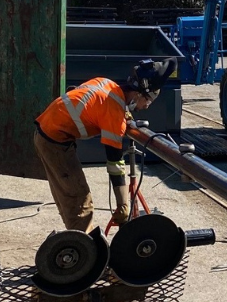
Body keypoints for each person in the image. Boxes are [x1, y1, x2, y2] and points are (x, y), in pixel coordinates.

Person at [34, 59, 173, 232]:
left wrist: (124, 114)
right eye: (148, 101)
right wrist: (123, 204)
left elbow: (90, 102)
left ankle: (77, 240)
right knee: (79, 200)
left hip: (47, 131)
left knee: (68, 195)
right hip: (54, 142)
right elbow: (114, 163)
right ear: (138, 94)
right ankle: (83, 251)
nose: (146, 107)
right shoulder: (114, 114)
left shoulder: (107, 84)